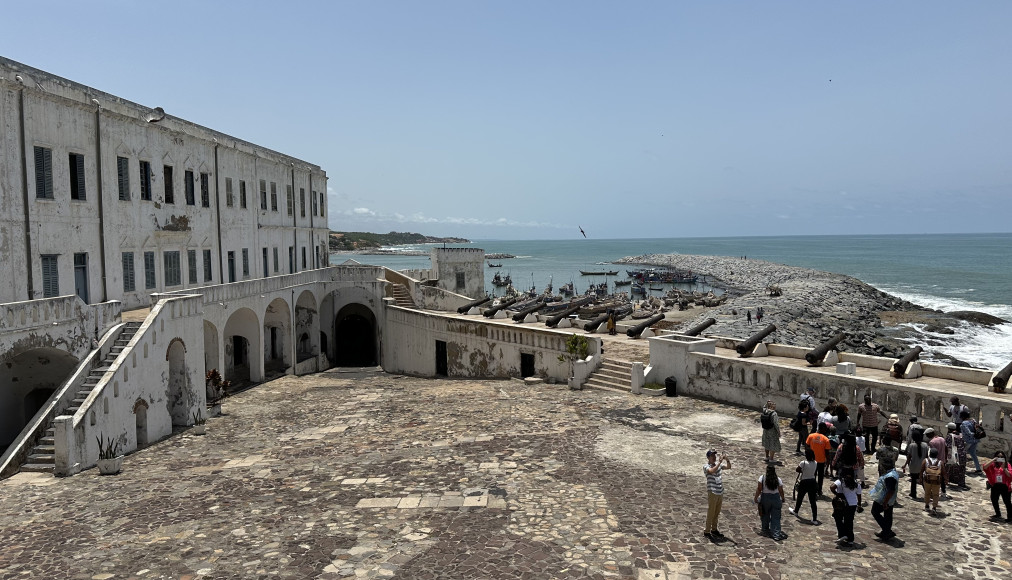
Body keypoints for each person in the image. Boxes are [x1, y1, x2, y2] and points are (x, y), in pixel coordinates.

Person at [754, 464, 787, 540]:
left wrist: (755, 498)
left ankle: (765, 529)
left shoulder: (762, 478)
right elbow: (781, 490)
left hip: (765, 498)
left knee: (765, 514)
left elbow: (759, 489)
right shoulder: (778, 480)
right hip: (775, 498)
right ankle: (776, 534)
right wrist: (783, 498)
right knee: (776, 517)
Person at [830, 467, 862, 545]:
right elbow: (859, 495)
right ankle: (850, 539)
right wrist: (859, 505)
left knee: (838, 518)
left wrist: (837, 494)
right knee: (849, 521)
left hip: (842, 504)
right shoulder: (856, 483)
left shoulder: (841, 481)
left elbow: (832, 487)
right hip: (853, 504)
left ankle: (842, 534)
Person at [703, 450, 731, 538]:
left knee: (716, 512)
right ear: (708, 458)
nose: (714, 457)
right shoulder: (706, 466)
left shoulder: (718, 465)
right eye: (712, 456)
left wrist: (727, 459)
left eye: (714, 455)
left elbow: (729, 467)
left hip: (720, 491)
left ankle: (714, 529)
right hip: (712, 492)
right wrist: (719, 462)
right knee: (711, 512)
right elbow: (711, 471)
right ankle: (707, 530)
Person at [869, 464, 901, 540]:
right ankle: (886, 532)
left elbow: (891, 490)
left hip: (884, 499)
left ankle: (887, 530)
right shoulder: (893, 473)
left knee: (875, 511)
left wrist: (885, 502)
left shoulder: (890, 476)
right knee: (888, 515)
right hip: (889, 499)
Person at [789, 448, 820, 525]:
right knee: (813, 501)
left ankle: (796, 511)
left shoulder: (803, 463)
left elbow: (797, 470)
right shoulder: (815, 463)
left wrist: (803, 471)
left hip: (804, 482)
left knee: (800, 497)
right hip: (812, 482)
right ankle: (814, 518)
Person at [983, 451, 1012, 522]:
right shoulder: (993, 464)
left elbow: (1010, 475)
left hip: (1005, 485)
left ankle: (1010, 517)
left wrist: (1004, 468)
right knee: (994, 499)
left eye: (1002, 457)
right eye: (998, 456)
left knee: (1007, 502)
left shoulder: (1007, 465)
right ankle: (998, 513)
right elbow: (985, 467)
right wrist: (993, 460)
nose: (1000, 458)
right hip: (996, 485)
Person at [806, 422, 833, 495]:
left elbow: (807, 446)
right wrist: (828, 461)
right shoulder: (825, 439)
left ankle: (812, 488)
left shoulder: (811, 436)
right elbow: (827, 452)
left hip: (812, 460)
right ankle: (819, 490)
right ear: (823, 429)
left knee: (812, 475)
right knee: (820, 476)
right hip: (821, 461)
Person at [905, 430, 929, 500]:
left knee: (913, 481)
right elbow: (927, 456)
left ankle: (913, 493)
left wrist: (906, 464)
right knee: (923, 481)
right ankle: (927, 493)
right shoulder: (925, 445)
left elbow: (909, 457)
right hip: (922, 466)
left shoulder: (912, 445)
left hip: (914, 466)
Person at [925, 428, 949, 498]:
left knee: (934, 477)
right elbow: (946, 449)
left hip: (936, 462)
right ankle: (943, 492)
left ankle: (933, 491)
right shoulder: (942, 439)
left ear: (931, 434)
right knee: (942, 477)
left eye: (927, 435)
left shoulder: (932, 442)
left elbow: (932, 453)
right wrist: (946, 457)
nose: (927, 437)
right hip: (943, 461)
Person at [920, 447, 945, 514]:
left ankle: (927, 505)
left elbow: (922, 470)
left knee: (927, 493)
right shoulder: (940, 462)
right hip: (936, 481)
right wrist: (945, 480)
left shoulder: (925, 460)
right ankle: (934, 507)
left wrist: (920, 478)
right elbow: (943, 472)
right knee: (936, 494)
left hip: (927, 480)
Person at [945, 422, 967, 490]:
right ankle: (961, 483)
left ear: (949, 429)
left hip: (954, 454)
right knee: (962, 469)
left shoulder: (949, 436)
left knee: (948, 468)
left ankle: (946, 481)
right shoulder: (961, 435)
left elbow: (948, 446)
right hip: (962, 454)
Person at [960, 409, 982, 474]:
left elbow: (968, 433)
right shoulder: (973, 420)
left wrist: (972, 435)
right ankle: (978, 469)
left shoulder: (964, 423)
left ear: (963, 417)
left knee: (962, 454)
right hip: (976, 440)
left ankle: (961, 468)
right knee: (973, 454)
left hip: (968, 441)